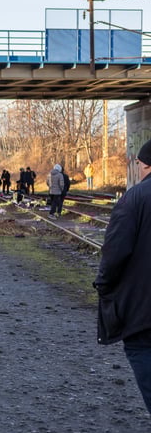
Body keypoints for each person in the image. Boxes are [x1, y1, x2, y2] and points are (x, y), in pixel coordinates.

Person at [94, 139, 151, 415]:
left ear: (147, 165)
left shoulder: (135, 197)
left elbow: (115, 251)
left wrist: (103, 285)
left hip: (143, 305)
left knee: (142, 350)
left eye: (139, 164)